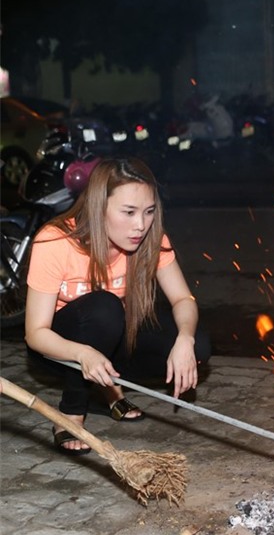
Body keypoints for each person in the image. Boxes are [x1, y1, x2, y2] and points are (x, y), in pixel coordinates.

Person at [25, 157, 211, 455]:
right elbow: (35, 333)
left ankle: (107, 389)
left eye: (149, 212)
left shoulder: (151, 239)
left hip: (111, 345)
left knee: (199, 344)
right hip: (60, 349)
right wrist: (82, 353)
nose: (140, 225)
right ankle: (70, 414)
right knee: (104, 308)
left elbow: (182, 299)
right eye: (129, 212)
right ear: (99, 207)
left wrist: (185, 339)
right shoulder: (55, 241)